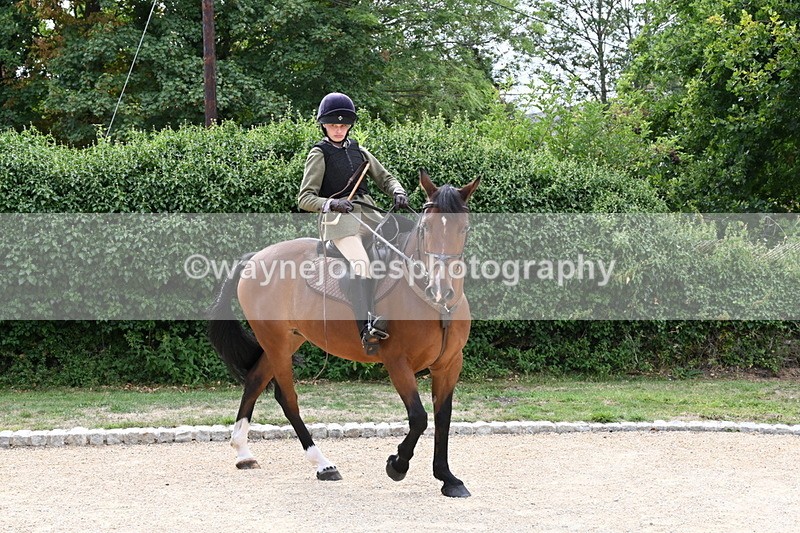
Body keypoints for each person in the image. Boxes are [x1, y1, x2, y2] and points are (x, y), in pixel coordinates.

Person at [297, 92, 409, 355]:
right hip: (340, 223)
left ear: (349, 126)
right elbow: (305, 198)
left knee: (408, 247)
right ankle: (366, 329)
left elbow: (386, 178)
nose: (338, 129)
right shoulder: (319, 153)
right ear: (324, 125)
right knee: (362, 264)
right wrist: (332, 203)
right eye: (333, 125)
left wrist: (398, 191)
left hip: (371, 218)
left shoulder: (360, 151)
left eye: (343, 125)